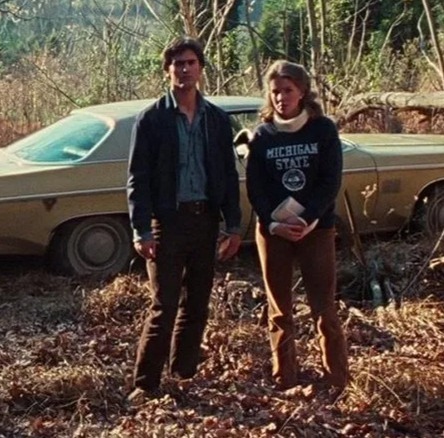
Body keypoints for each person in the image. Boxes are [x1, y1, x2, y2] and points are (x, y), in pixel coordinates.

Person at [126, 36, 242, 402]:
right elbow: (137, 178)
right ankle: (145, 385)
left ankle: (184, 375)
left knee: (197, 304)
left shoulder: (217, 120)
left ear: (200, 68)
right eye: (178, 64)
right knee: (165, 304)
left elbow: (226, 173)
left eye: (191, 62)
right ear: (167, 71)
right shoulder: (152, 119)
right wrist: (141, 229)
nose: (185, 69)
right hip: (167, 223)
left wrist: (233, 226)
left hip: (204, 221)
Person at [245, 60, 349, 392]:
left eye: (287, 91)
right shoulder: (262, 135)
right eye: (275, 92)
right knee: (279, 310)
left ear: (302, 91)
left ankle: (337, 379)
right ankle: (284, 378)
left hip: (315, 229)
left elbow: (330, 180)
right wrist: (272, 223)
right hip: (274, 232)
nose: (281, 98)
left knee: (324, 309)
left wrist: (309, 217)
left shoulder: (323, 130)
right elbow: (255, 187)